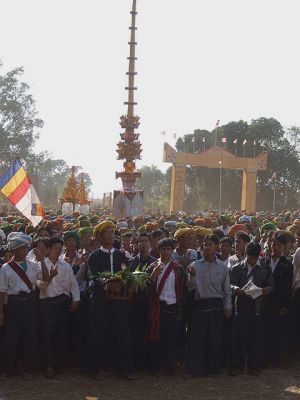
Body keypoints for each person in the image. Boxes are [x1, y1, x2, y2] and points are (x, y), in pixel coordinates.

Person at [87, 221, 134, 380]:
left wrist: (124, 282)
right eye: (107, 232)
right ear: (100, 236)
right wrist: (108, 285)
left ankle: (123, 369)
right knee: (99, 333)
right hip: (101, 301)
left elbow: (128, 274)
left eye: (113, 232)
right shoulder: (94, 256)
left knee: (122, 334)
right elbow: (94, 277)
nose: (111, 235)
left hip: (120, 301)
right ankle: (98, 368)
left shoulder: (123, 255)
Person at [0, 232, 49, 380]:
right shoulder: (6, 268)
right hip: (13, 304)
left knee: (29, 336)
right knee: (10, 338)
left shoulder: (34, 265)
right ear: (14, 250)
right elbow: (1, 292)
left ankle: (28, 369)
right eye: (22, 248)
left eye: (26, 248)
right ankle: (6, 369)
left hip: (29, 302)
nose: (25, 250)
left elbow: (45, 277)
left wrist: (41, 261)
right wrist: (1, 312)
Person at [186, 234, 232, 377]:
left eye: (210, 244)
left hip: (216, 305)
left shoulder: (223, 267)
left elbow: (227, 290)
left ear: (217, 247)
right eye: (205, 245)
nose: (206, 247)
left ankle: (213, 369)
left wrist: (228, 306)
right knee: (198, 339)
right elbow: (189, 287)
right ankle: (197, 369)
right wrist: (192, 276)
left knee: (215, 339)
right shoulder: (195, 265)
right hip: (200, 305)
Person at [38, 237, 80, 378]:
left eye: (60, 249)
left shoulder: (65, 266)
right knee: (48, 334)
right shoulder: (40, 265)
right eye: (55, 248)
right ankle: (48, 364)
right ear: (48, 249)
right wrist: (49, 277)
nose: (58, 251)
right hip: (47, 304)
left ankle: (59, 363)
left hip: (62, 303)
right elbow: (40, 286)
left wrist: (76, 299)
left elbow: (73, 284)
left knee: (62, 334)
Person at [230, 242, 273, 376]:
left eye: (255, 258)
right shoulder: (237, 268)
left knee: (256, 337)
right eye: (250, 258)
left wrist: (268, 290)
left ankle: (254, 366)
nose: (253, 261)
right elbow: (231, 283)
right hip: (241, 305)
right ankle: (237, 365)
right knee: (239, 337)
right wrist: (236, 289)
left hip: (257, 306)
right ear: (246, 255)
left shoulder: (265, 268)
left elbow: (271, 284)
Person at [146, 238, 186, 376]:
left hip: (173, 308)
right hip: (157, 307)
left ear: (172, 251)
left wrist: (180, 309)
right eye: (163, 249)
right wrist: (152, 277)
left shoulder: (179, 269)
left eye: (169, 249)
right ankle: (157, 367)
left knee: (171, 338)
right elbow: (145, 290)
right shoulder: (151, 267)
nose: (166, 252)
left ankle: (170, 366)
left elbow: (182, 290)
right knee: (156, 338)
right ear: (159, 250)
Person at [263, 233, 293, 367]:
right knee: (264, 329)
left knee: (276, 331)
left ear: (283, 248)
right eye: (273, 244)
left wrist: (284, 305)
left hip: (278, 303)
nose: (275, 247)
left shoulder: (287, 265)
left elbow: (287, 287)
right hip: (264, 301)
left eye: (279, 245)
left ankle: (274, 359)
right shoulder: (264, 261)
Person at [128, 233, 156, 370]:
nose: (143, 244)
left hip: (150, 302)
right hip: (135, 303)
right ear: (136, 244)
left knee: (150, 333)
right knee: (136, 333)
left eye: (146, 241)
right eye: (141, 241)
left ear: (150, 244)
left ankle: (149, 363)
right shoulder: (131, 262)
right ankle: (137, 363)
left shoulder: (155, 262)